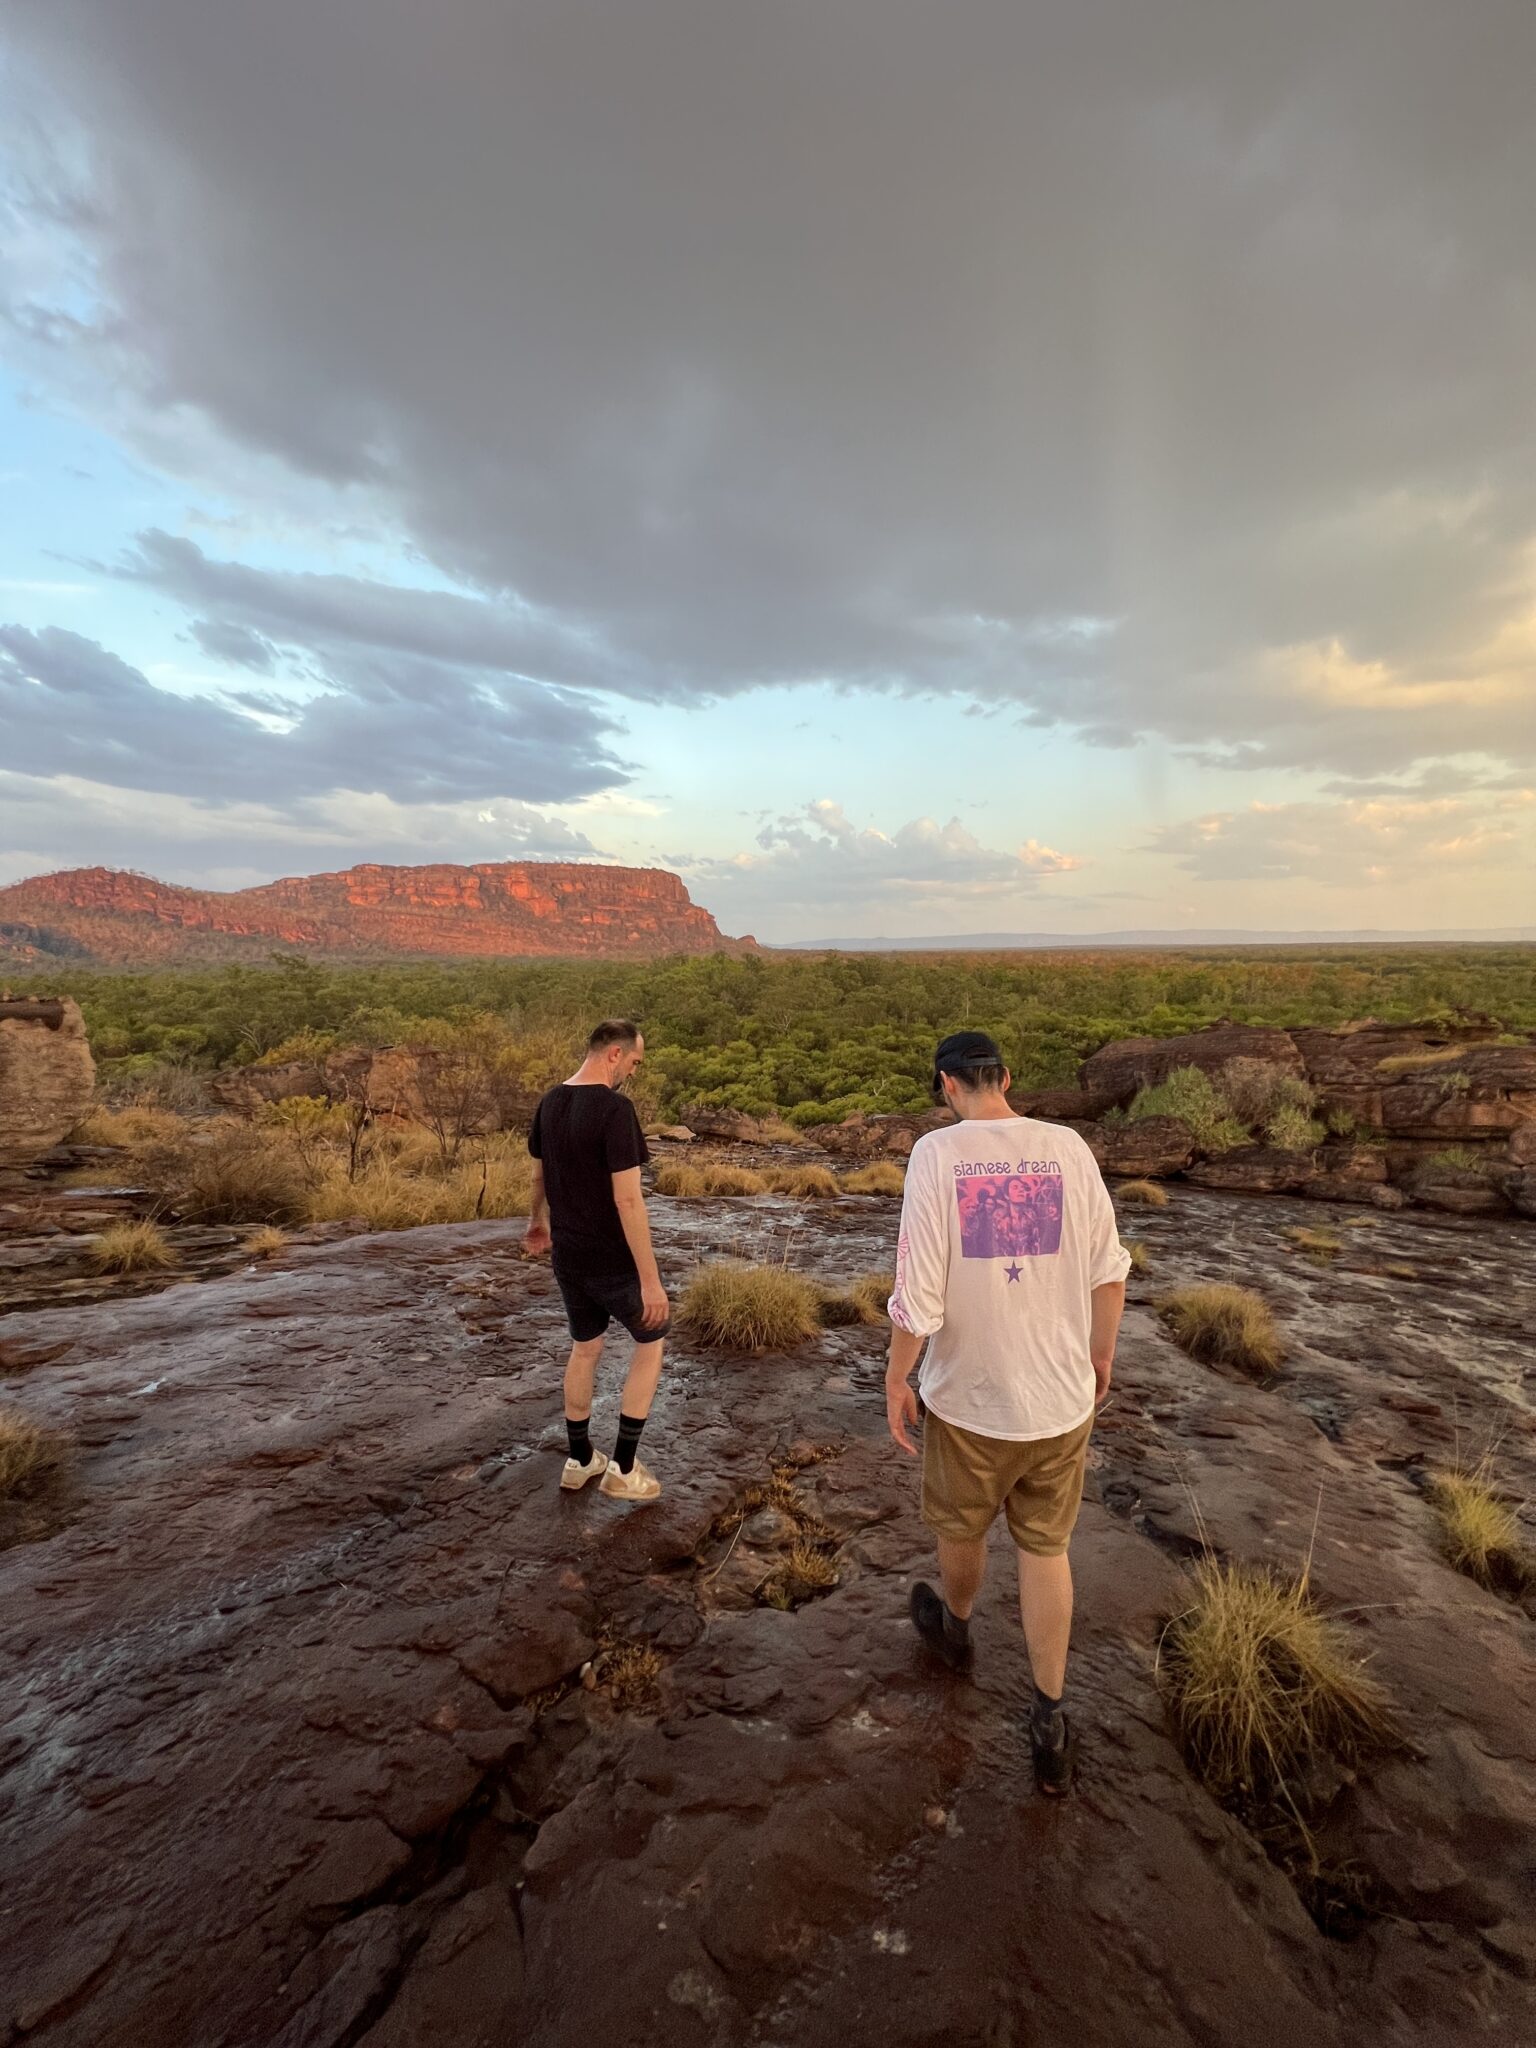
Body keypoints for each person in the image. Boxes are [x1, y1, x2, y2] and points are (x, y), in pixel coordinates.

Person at [885, 1030, 1128, 1794]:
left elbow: (917, 1294)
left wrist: (898, 1375)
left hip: (970, 1399)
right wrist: (1100, 1356)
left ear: (947, 1087)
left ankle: (956, 1633)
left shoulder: (937, 1155)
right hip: (1060, 1401)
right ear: (1006, 1079)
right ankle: (1049, 1718)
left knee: (961, 1526)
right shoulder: (1068, 1147)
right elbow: (1110, 1271)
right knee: (1045, 1549)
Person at [523, 1019, 669, 1502]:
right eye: (634, 1061)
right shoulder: (614, 1110)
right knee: (651, 1343)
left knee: (585, 1349)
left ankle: (580, 1459)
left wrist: (536, 1223)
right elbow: (629, 1202)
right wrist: (650, 1281)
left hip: (568, 1255)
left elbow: (539, 1175)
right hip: (612, 1257)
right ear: (613, 1053)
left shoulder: (550, 1103)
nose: (633, 1069)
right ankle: (624, 1469)